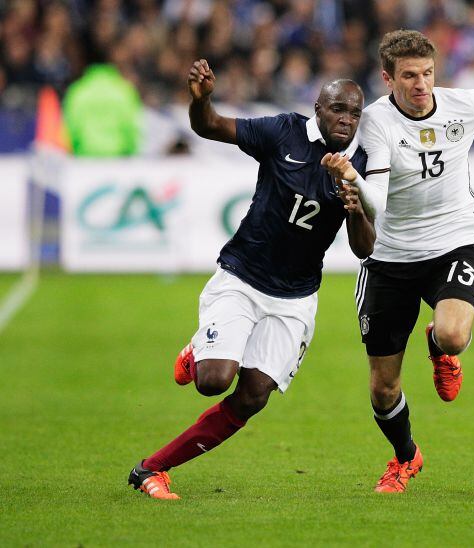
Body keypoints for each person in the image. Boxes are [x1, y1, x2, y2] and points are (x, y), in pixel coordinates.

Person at [322, 30, 474, 493]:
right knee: (382, 388)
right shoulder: (377, 122)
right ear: (388, 78)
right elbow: (374, 202)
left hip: (455, 238)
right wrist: (352, 177)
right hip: (391, 255)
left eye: (428, 73)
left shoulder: (462, 106)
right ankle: (405, 457)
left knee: (454, 335)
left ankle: (438, 347)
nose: (421, 85)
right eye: (409, 76)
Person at [127, 59, 374, 499]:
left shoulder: (362, 164)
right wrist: (200, 101)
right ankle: (198, 349)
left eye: (355, 113)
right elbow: (211, 127)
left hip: (296, 297)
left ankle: (152, 469)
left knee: (253, 396)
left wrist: (355, 205)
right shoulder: (283, 132)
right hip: (242, 277)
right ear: (317, 108)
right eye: (338, 109)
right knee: (213, 381)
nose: (346, 120)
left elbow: (364, 248)